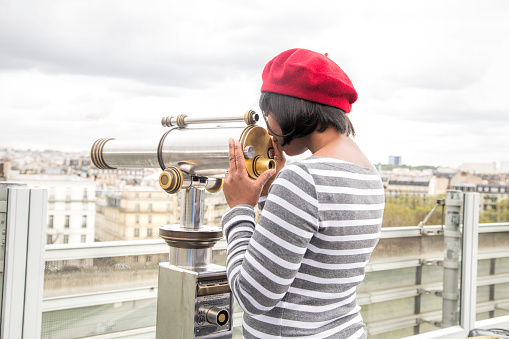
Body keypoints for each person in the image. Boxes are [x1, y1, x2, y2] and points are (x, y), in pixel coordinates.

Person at [222, 48, 385, 339]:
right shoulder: (368, 173)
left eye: (269, 114)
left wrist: (239, 209)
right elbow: (309, 259)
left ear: (288, 110)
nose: (268, 128)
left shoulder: (304, 178)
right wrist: (270, 190)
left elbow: (253, 296)